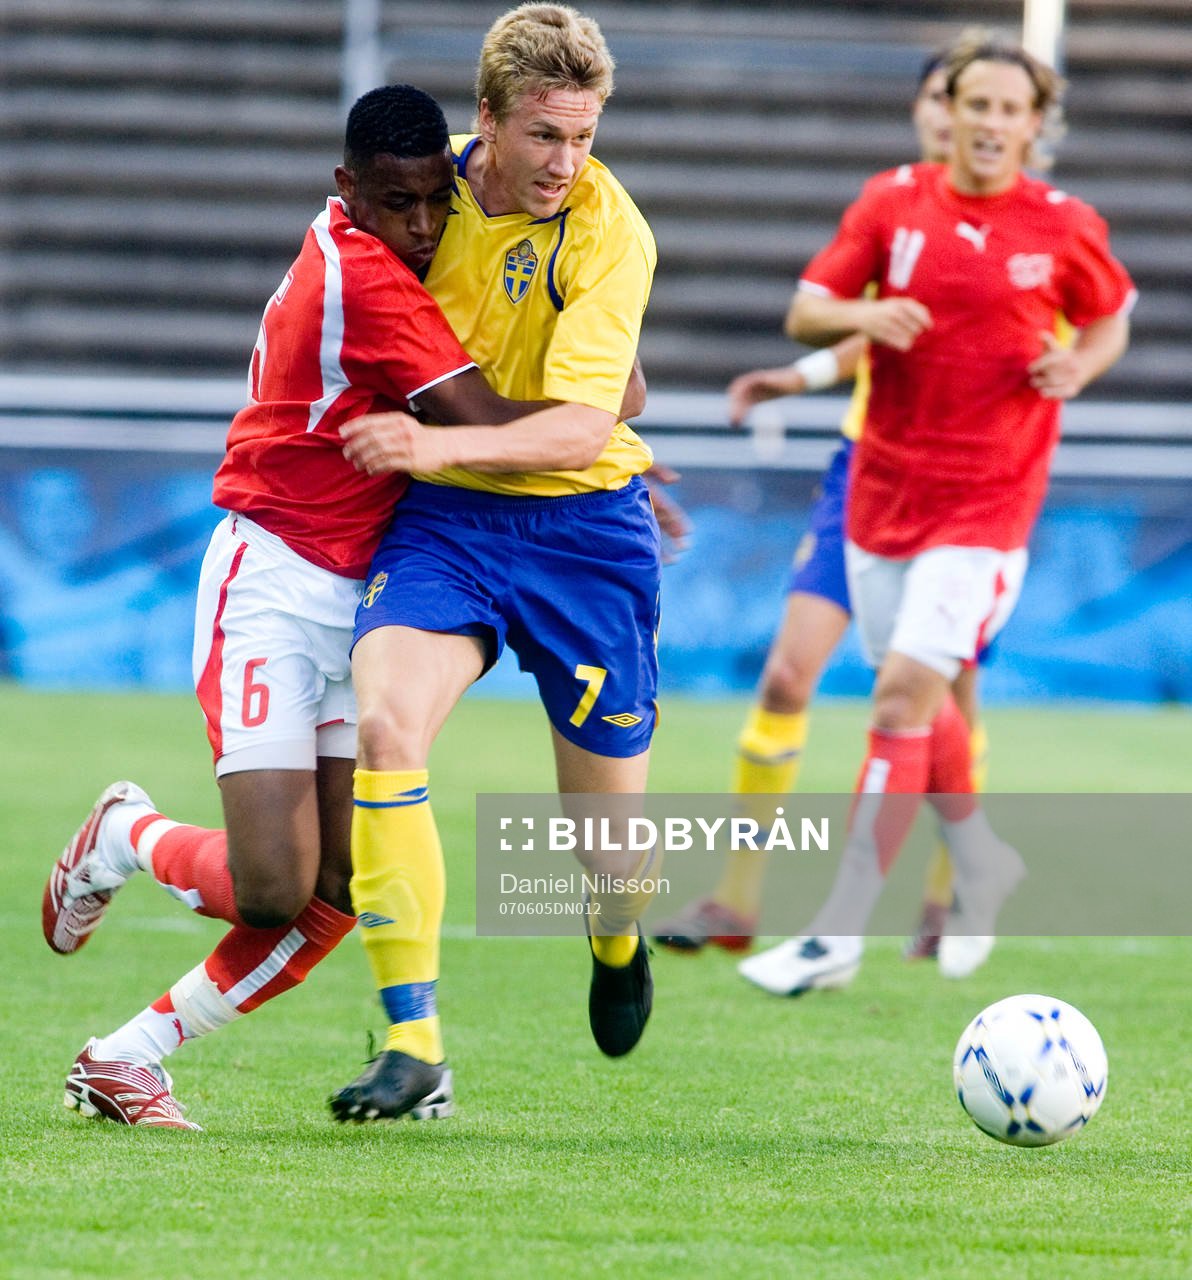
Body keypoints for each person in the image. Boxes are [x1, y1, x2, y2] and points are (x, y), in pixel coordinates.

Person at [40, 83, 630, 1129]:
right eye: (398, 203)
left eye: (435, 201)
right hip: (272, 577)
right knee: (272, 886)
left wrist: (593, 408)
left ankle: (128, 1056)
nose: (423, 225)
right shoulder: (363, 276)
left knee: (346, 881)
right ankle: (126, 832)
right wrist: (601, 413)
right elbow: (488, 414)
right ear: (345, 189)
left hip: (368, 586)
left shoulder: (417, 240)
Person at [736, 37, 1134, 997]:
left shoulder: (1064, 224)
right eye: (976, 104)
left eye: (1010, 109)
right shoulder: (891, 202)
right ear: (946, 112)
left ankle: (835, 934)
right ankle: (982, 859)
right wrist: (864, 319)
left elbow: (1111, 314)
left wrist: (1080, 364)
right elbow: (807, 309)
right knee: (921, 698)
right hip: (883, 496)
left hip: (989, 506)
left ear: (1035, 126)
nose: (990, 123)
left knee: (900, 700)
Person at [327, 3, 661, 1122]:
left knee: (608, 856)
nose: (566, 162)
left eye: (585, 135)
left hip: (585, 533)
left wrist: (433, 443)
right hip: (449, 526)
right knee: (386, 728)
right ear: (488, 118)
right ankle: (413, 1041)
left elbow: (585, 426)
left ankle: (617, 938)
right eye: (543, 135)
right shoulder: (424, 198)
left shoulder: (612, 231)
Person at [653, 42, 992, 965]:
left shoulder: (1016, 228)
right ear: (925, 109)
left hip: (965, 491)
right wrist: (797, 376)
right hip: (866, 473)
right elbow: (869, 331)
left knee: (945, 698)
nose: (952, 114)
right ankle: (736, 899)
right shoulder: (895, 207)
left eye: (969, 100)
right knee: (785, 678)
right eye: (941, 96)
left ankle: (947, 894)